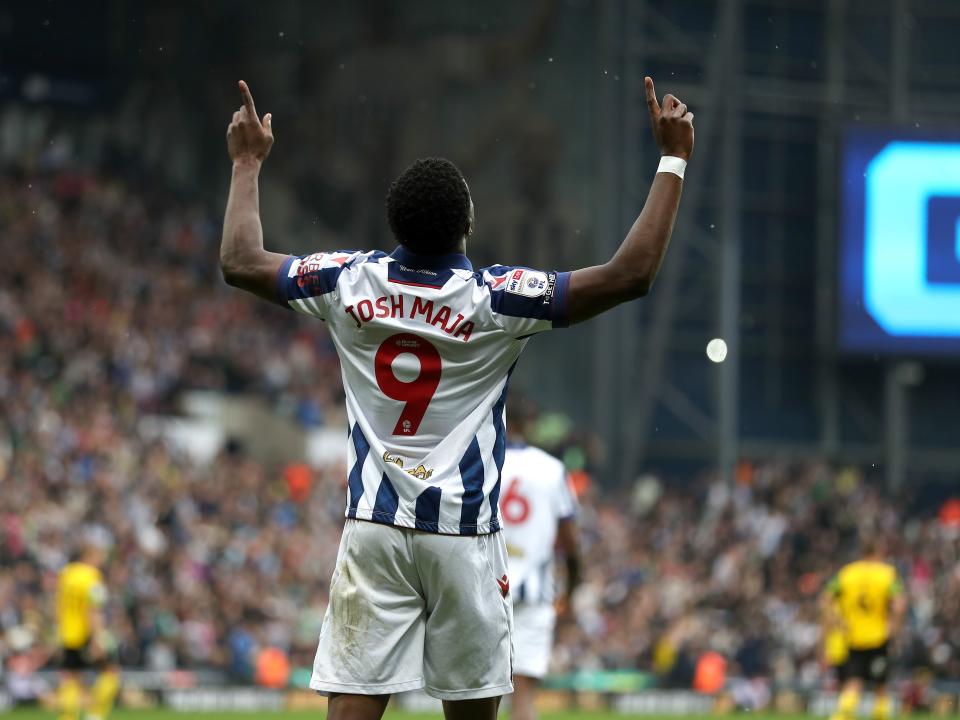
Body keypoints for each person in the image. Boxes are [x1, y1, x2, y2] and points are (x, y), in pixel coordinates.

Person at [220, 76, 693, 720]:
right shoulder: (496, 298)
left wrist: (247, 163)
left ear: (395, 222)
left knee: (353, 705)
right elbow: (629, 275)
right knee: (472, 709)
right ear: (469, 221)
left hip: (375, 527)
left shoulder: (345, 281)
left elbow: (241, 260)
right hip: (463, 533)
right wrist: (673, 159)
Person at [499, 398, 580, 720]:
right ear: (531, 423)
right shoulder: (553, 469)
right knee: (524, 698)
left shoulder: (483, 461)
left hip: (484, 589)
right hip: (534, 594)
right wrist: (570, 593)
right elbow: (571, 544)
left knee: (481, 693)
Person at [820, 539, 907, 720]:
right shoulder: (887, 574)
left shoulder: (846, 573)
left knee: (853, 681)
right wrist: (894, 627)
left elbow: (825, 599)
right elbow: (900, 604)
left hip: (853, 636)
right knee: (881, 685)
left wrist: (838, 621)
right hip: (879, 636)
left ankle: (841, 717)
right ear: (878, 552)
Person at [55, 544, 120, 720]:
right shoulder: (92, 576)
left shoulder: (66, 574)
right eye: (99, 555)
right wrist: (98, 637)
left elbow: (58, 605)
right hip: (86, 633)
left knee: (71, 678)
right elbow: (93, 609)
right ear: (89, 555)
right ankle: (95, 715)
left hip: (67, 634)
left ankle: (68, 717)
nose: (101, 561)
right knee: (111, 672)